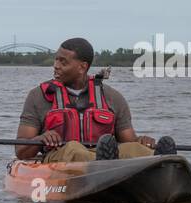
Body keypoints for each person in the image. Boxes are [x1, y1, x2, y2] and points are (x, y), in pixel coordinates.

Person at [14, 37, 174, 162]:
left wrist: (142, 142)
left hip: (104, 159)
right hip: (60, 158)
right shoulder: (38, 96)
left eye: (63, 62)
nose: (56, 65)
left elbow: (129, 142)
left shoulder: (113, 98)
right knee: (73, 148)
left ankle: (164, 160)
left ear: (82, 67)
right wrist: (40, 139)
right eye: (56, 59)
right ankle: (105, 164)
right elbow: (21, 152)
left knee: (136, 150)